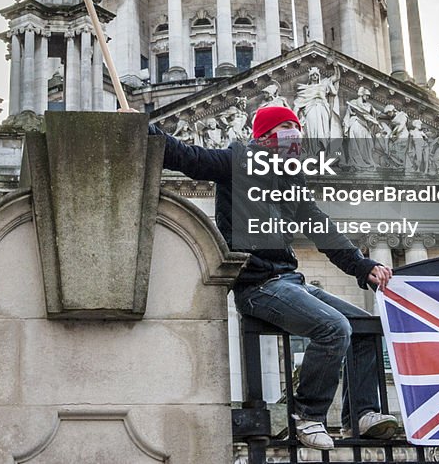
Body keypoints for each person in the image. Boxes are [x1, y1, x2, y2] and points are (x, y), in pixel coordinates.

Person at [150, 105, 398, 450]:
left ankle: (362, 413)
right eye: (286, 131)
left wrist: (361, 265)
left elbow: (320, 228)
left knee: (364, 326)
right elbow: (188, 157)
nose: (295, 140)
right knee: (333, 327)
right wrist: (147, 129)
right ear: (264, 138)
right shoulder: (235, 163)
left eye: (297, 133)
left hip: (288, 280)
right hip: (257, 286)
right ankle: (307, 416)